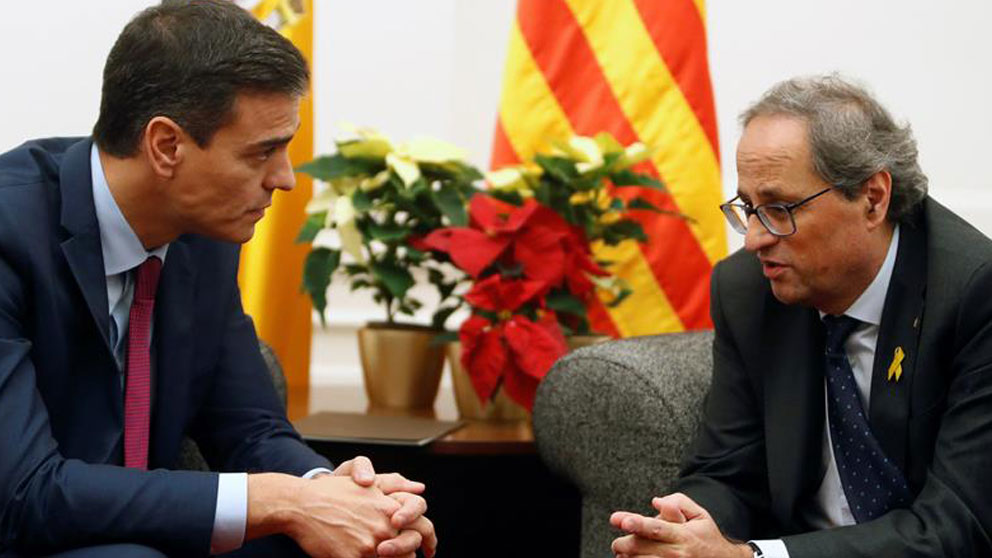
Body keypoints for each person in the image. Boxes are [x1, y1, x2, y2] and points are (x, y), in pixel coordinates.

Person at [0, 2, 435, 557]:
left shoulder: (201, 234)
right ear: (167, 146)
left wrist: (338, 496)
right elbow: (26, 493)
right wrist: (277, 501)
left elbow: (251, 430)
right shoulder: (10, 232)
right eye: (263, 153)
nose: (285, 180)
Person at [610, 75, 992, 557]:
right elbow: (728, 472)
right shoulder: (749, 289)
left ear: (873, 198)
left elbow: (958, 527)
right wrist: (684, 530)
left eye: (779, 208)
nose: (753, 239)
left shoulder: (973, 294)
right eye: (747, 208)